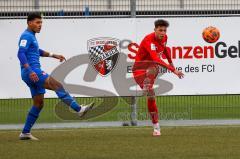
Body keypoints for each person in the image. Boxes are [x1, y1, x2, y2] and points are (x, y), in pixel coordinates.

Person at [17, 13, 94, 140]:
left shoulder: (31, 36)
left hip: (30, 73)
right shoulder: (26, 36)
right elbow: (20, 53)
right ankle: (78, 109)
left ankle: (25, 133)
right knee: (57, 85)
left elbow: (37, 51)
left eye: (41, 23)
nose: (40, 25)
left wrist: (54, 55)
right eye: (37, 22)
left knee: (39, 103)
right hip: (32, 72)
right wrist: (30, 70)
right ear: (29, 23)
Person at [132, 19, 184, 136]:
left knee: (151, 96)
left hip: (150, 69)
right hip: (139, 70)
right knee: (154, 67)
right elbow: (156, 58)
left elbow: (165, 49)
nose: (162, 33)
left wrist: (171, 63)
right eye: (160, 30)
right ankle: (146, 84)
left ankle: (156, 127)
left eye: (164, 30)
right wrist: (174, 70)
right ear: (154, 30)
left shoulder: (165, 38)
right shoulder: (148, 40)